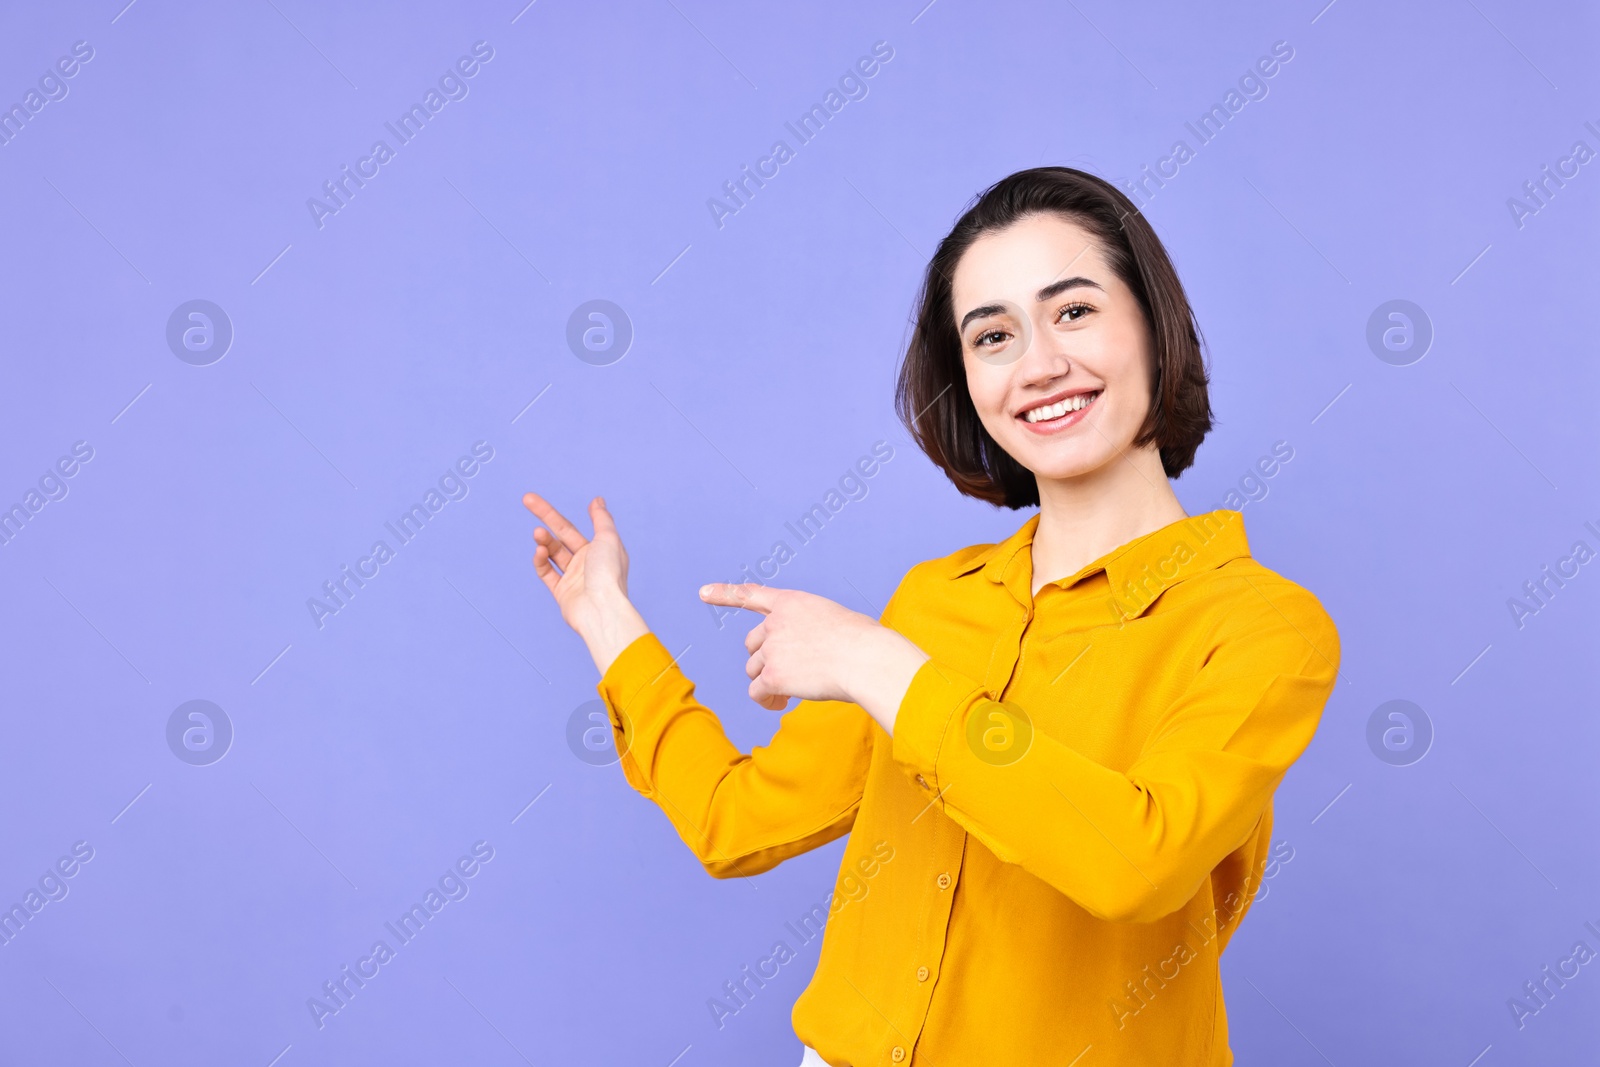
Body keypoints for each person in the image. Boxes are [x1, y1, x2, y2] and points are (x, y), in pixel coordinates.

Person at [524, 166, 1340, 1065]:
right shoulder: (936, 601)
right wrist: (606, 620)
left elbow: (1135, 858)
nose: (1038, 364)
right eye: (993, 335)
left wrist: (876, 665)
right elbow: (736, 818)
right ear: (969, 382)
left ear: (1154, 324)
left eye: (1073, 311)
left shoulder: (1264, 626)